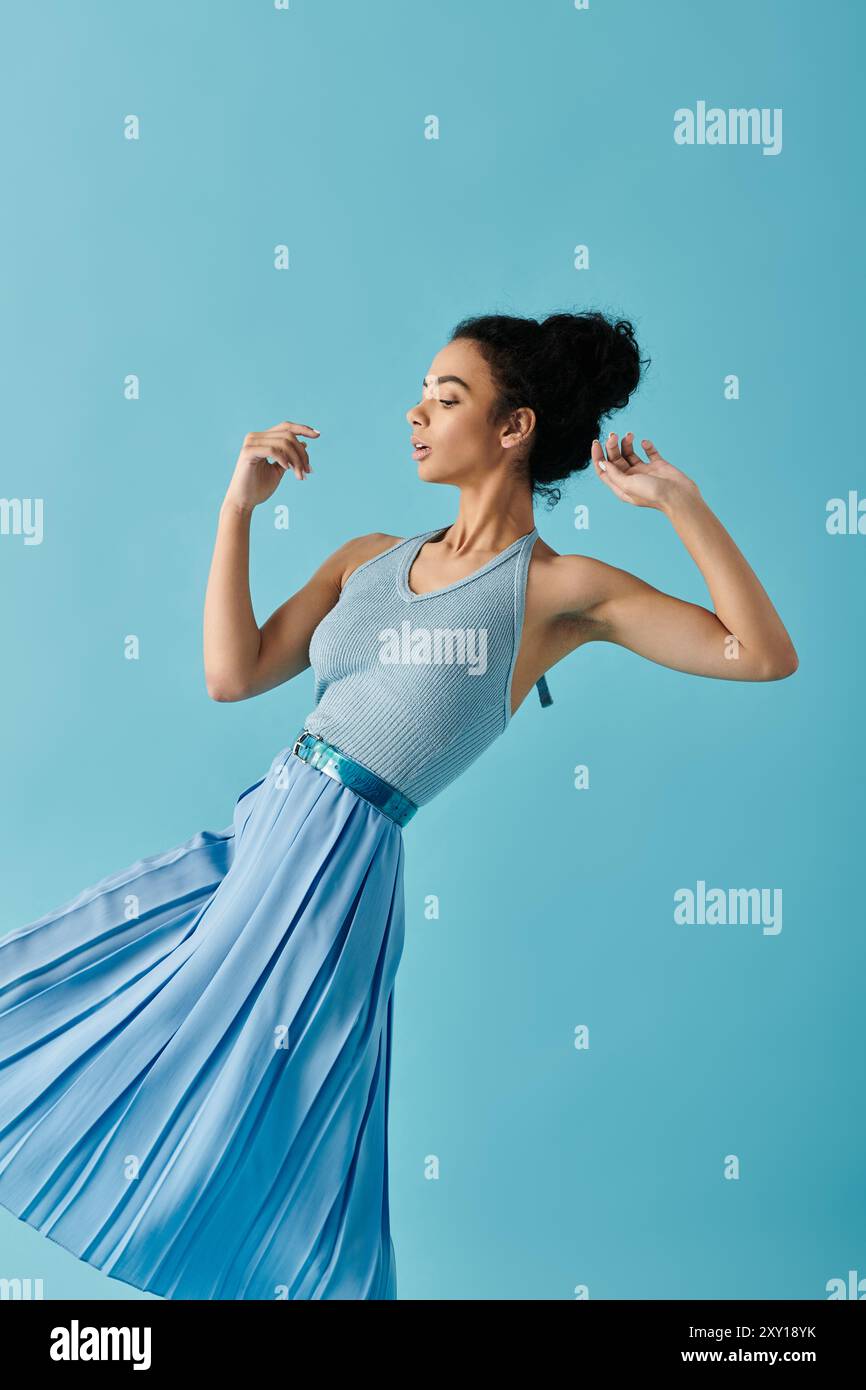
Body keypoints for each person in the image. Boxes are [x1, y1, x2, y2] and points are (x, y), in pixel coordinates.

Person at [0, 310, 798, 1301]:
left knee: (293, 1116)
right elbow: (232, 671)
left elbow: (759, 654)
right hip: (267, 826)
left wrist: (678, 501)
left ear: (513, 428)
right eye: (423, 392)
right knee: (82, 980)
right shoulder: (364, 557)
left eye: (446, 397)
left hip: (343, 864)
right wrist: (236, 510)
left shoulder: (553, 590)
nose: (415, 412)